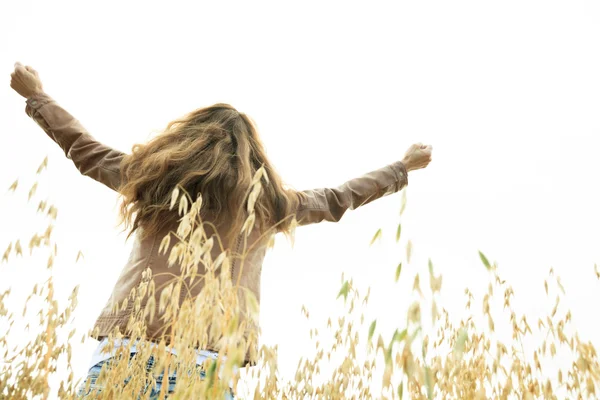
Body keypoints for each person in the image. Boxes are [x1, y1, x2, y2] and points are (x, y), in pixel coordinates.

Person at [10, 62, 433, 398]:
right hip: (207, 371)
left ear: (186, 141)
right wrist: (401, 167)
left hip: (126, 352)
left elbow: (85, 151)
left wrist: (36, 95)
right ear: (254, 155)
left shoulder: (153, 179)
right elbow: (338, 198)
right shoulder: (271, 205)